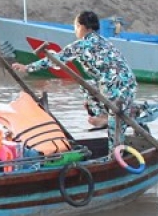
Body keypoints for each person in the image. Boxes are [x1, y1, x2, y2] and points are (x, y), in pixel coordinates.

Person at [12, 10, 137, 148]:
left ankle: (107, 128)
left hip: (114, 86)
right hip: (129, 83)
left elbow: (56, 59)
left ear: (82, 27)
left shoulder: (81, 45)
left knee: (114, 127)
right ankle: (105, 119)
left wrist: (27, 68)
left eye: (76, 27)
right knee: (90, 87)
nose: (75, 31)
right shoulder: (106, 42)